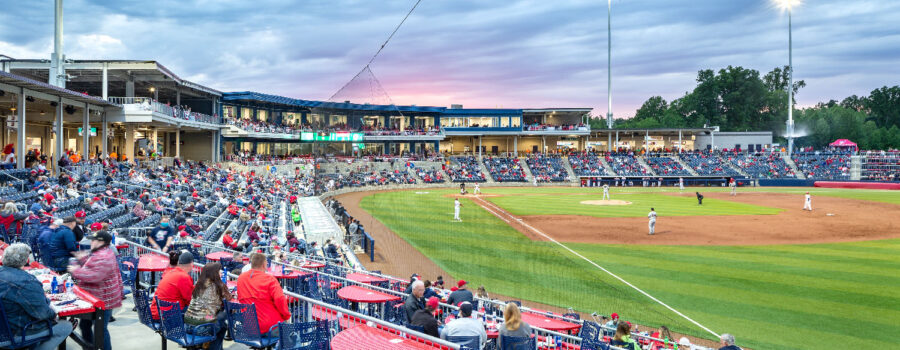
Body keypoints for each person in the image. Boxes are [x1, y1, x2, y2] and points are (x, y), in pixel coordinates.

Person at [0, 243, 74, 350]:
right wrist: (54, 314)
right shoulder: (26, 281)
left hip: (5, 328)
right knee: (65, 326)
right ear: (26, 261)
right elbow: (43, 314)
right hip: (13, 334)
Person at [68, 232, 123, 350]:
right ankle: (89, 347)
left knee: (100, 330)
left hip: (103, 300)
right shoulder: (100, 252)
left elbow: (95, 276)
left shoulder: (105, 256)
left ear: (102, 242)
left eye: (94, 240)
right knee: (85, 325)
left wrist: (76, 270)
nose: (91, 242)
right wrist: (82, 259)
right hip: (94, 297)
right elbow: (93, 265)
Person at [237, 253, 290, 336]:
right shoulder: (269, 279)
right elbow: (280, 299)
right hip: (269, 327)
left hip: (249, 327)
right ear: (264, 265)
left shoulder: (241, 278)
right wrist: (286, 316)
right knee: (294, 336)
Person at [184, 263, 232, 350]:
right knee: (224, 317)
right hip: (200, 329)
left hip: (187, 326)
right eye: (219, 271)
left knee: (221, 323)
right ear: (214, 274)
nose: (221, 273)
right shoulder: (218, 286)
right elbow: (229, 299)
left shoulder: (198, 284)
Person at [151, 252, 195, 320]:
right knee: (201, 313)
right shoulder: (184, 277)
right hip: (168, 315)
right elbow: (190, 300)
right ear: (191, 264)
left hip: (158, 312)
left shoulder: (171, 272)